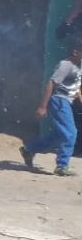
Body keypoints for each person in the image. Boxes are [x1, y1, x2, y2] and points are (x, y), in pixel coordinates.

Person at [19, 39, 82, 177]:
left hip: (66, 102)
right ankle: (62, 166)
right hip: (59, 100)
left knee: (60, 134)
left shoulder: (79, 65)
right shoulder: (65, 65)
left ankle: (29, 150)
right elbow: (51, 84)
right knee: (71, 133)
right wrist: (42, 107)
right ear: (75, 52)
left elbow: (76, 86)